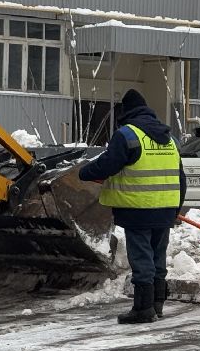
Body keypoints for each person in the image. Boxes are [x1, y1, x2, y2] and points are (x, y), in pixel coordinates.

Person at [79, 89, 185, 324]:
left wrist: (83, 172)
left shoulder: (127, 135)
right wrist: (175, 208)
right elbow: (181, 177)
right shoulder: (171, 139)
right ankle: (157, 306)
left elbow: (107, 164)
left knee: (141, 259)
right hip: (165, 209)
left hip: (137, 210)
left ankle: (142, 309)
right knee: (158, 257)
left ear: (125, 113)